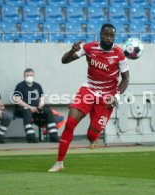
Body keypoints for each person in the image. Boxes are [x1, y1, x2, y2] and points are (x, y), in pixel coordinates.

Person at [48, 23, 130, 172]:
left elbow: (126, 79)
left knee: (92, 135)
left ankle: (93, 137)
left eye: (112, 35)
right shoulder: (89, 47)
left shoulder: (119, 54)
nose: (108, 38)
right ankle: (59, 162)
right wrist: (71, 51)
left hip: (107, 97)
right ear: (100, 34)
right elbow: (65, 60)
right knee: (70, 123)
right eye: (106, 34)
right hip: (88, 91)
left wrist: (116, 96)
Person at [13, 68, 59, 143]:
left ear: (34, 75)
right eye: (27, 75)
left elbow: (42, 98)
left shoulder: (37, 86)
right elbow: (17, 100)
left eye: (30, 75)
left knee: (48, 111)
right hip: (23, 109)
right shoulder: (20, 86)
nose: (29, 76)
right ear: (24, 76)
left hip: (36, 108)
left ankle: (54, 136)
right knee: (27, 111)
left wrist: (40, 107)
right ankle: (31, 138)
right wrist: (30, 107)